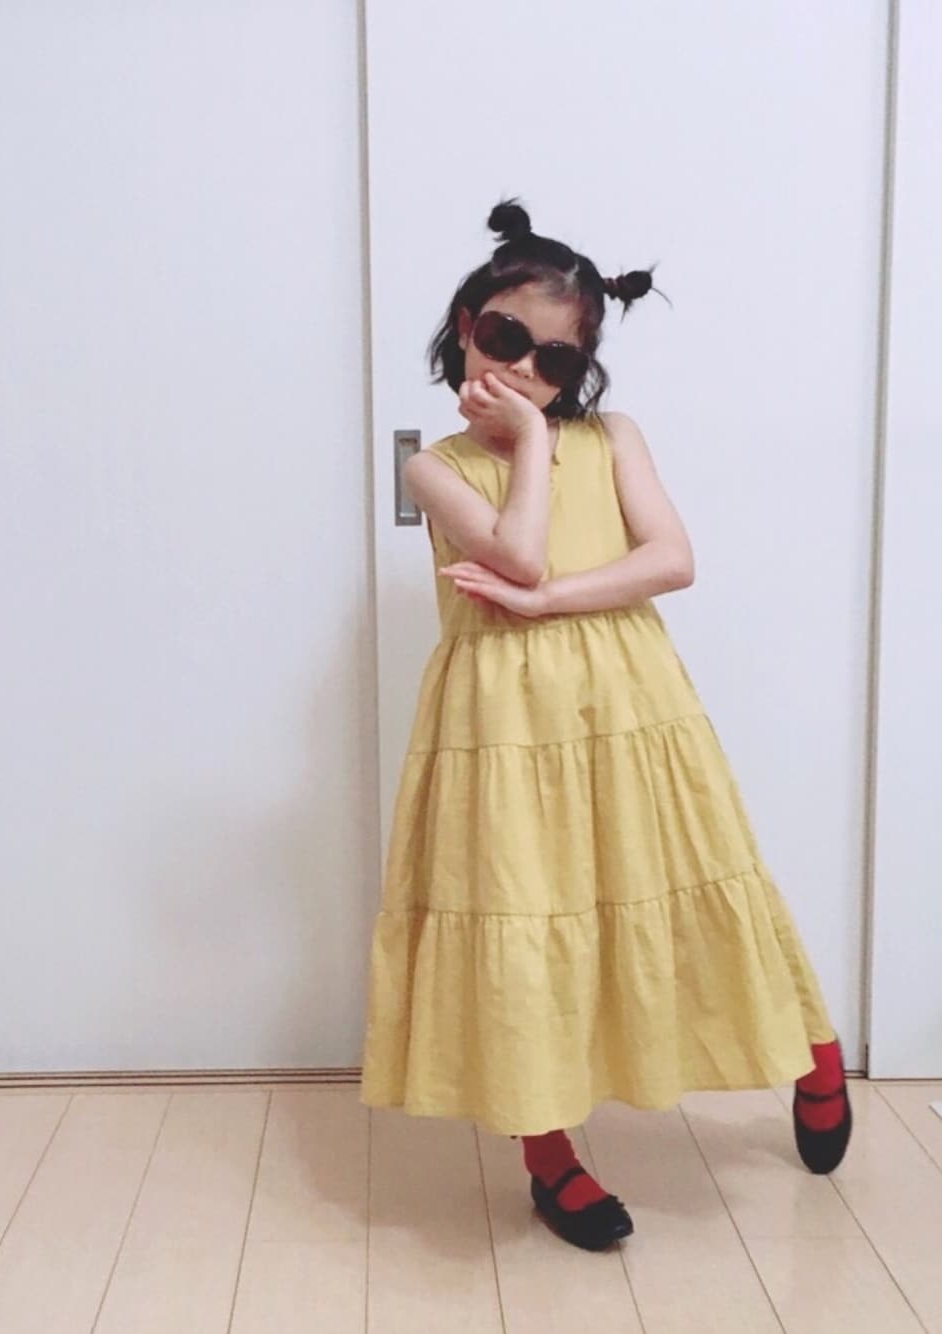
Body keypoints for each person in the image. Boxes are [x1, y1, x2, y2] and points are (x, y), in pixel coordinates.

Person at [359, 200, 852, 1252]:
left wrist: (546, 598)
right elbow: (519, 552)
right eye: (505, 337)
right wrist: (531, 442)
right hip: (499, 718)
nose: (523, 367)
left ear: (579, 368)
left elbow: (672, 559)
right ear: (467, 323)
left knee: (702, 876)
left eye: (554, 360)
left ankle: (814, 1053)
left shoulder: (615, 436)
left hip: (630, 699)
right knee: (521, 912)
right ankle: (548, 1155)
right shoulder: (431, 467)